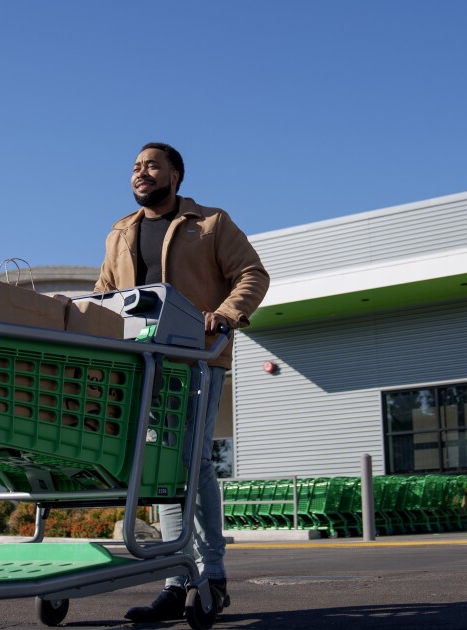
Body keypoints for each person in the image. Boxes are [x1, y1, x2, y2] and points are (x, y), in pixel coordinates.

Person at [95, 142, 269, 622]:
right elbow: (103, 296)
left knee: (193, 462)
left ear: (175, 174)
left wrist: (227, 314)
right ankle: (177, 577)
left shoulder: (210, 223)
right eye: (134, 167)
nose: (140, 172)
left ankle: (212, 574)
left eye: (151, 165)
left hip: (195, 358)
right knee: (161, 467)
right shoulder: (119, 233)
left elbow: (252, 273)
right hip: (141, 365)